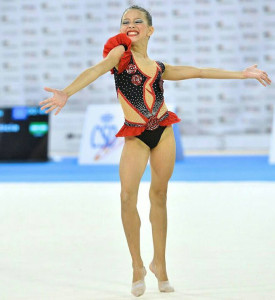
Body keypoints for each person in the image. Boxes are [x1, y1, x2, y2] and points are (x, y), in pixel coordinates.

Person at [39, 5, 272, 297]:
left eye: (138, 21)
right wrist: (66, 92)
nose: (131, 25)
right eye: (126, 21)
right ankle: (137, 265)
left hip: (163, 131)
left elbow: (198, 72)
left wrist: (242, 74)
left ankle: (159, 264)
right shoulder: (119, 57)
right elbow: (96, 70)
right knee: (126, 197)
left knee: (159, 195)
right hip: (136, 136)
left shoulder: (159, 67)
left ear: (150, 30)